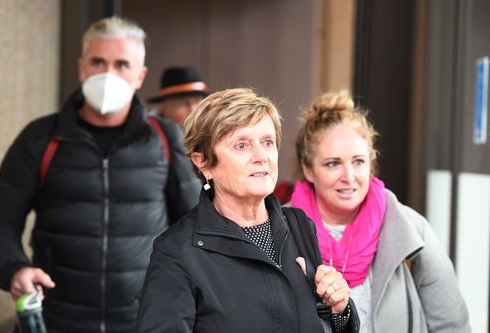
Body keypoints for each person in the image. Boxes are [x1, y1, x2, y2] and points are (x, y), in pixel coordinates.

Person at [0, 16, 200, 332]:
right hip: (56, 320)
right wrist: (14, 269)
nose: (108, 74)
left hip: (145, 320)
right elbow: (0, 219)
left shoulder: (165, 139)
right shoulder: (41, 138)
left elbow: (195, 224)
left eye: (121, 65)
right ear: (81, 67)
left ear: (140, 76)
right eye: (98, 62)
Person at [136, 88, 360, 333]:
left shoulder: (299, 225)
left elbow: (322, 321)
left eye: (267, 142)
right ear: (203, 162)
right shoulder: (176, 251)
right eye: (242, 145)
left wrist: (340, 310)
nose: (261, 156)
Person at [290, 90, 471, 332]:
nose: (349, 177)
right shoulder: (281, 230)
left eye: (358, 162)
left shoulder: (411, 229)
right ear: (309, 169)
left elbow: (452, 326)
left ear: (371, 165)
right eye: (333, 163)